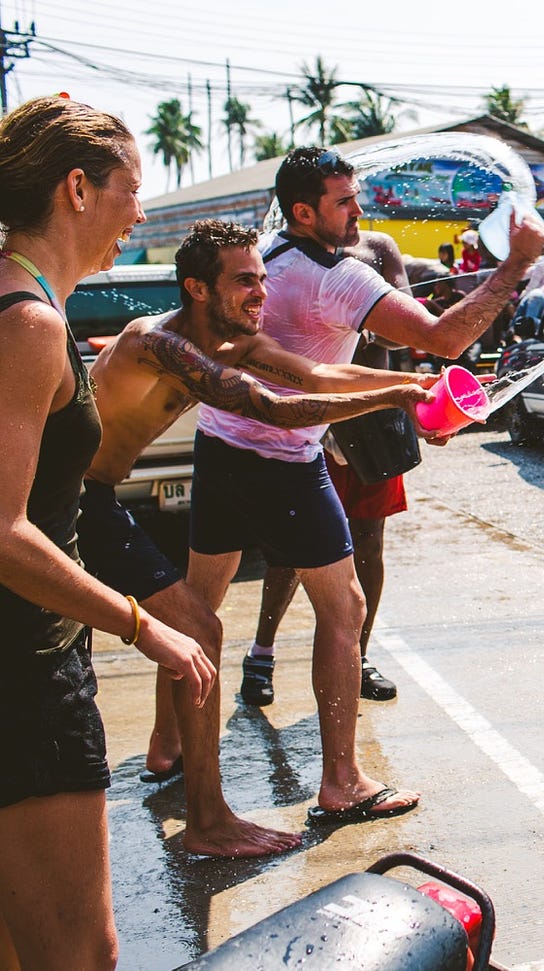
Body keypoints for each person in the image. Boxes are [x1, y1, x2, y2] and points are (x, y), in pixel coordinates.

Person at [186, 146, 544, 827]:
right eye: (344, 202)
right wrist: (518, 263)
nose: (360, 210)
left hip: (219, 444)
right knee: (345, 609)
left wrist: (401, 395)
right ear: (304, 212)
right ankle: (342, 781)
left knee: (198, 607)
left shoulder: (266, 258)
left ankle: (166, 744)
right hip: (282, 457)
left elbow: (312, 371)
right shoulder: (337, 276)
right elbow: (444, 338)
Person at [84, 220, 432, 855]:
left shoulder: (233, 342)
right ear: (196, 288)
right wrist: (391, 401)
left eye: (263, 278)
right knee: (200, 627)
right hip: (64, 502)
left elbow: (316, 378)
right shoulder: (159, 344)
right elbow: (275, 407)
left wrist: (408, 388)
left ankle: (176, 765)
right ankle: (209, 824)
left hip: (93, 499)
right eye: (245, 280)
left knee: (196, 623)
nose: (261, 292)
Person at [0, 95, 214, 970]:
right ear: (78, 188)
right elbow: (5, 532)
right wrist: (143, 622)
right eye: (132, 189)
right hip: (25, 673)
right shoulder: (30, 324)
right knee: (79, 956)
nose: (142, 212)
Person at [243, 230, 421, 706]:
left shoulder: (378, 249)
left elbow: (404, 325)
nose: (353, 211)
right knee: (290, 550)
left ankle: (357, 657)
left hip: (372, 421)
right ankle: (261, 654)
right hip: (308, 414)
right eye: (343, 201)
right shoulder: (279, 254)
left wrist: (358, 316)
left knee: (369, 540)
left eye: (354, 199)